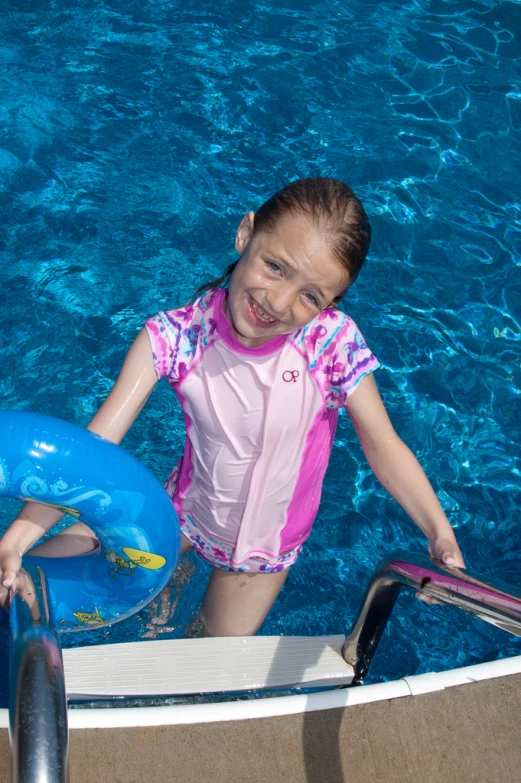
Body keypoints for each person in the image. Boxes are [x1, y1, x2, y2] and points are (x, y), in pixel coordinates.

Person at [0, 177, 465, 635]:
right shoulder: (177, 338)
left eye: (310, 296)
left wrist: (439, 532)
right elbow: (91, 452)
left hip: (262, 555)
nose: (278, 303)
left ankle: (168, 585)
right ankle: (166, 575)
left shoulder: (332, 345)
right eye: (275, 266)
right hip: (178, 515)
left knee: (200, 664)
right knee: (33, 573)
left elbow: (383, 444)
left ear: (331, 304)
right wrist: (18, 540)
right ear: (246, 233)